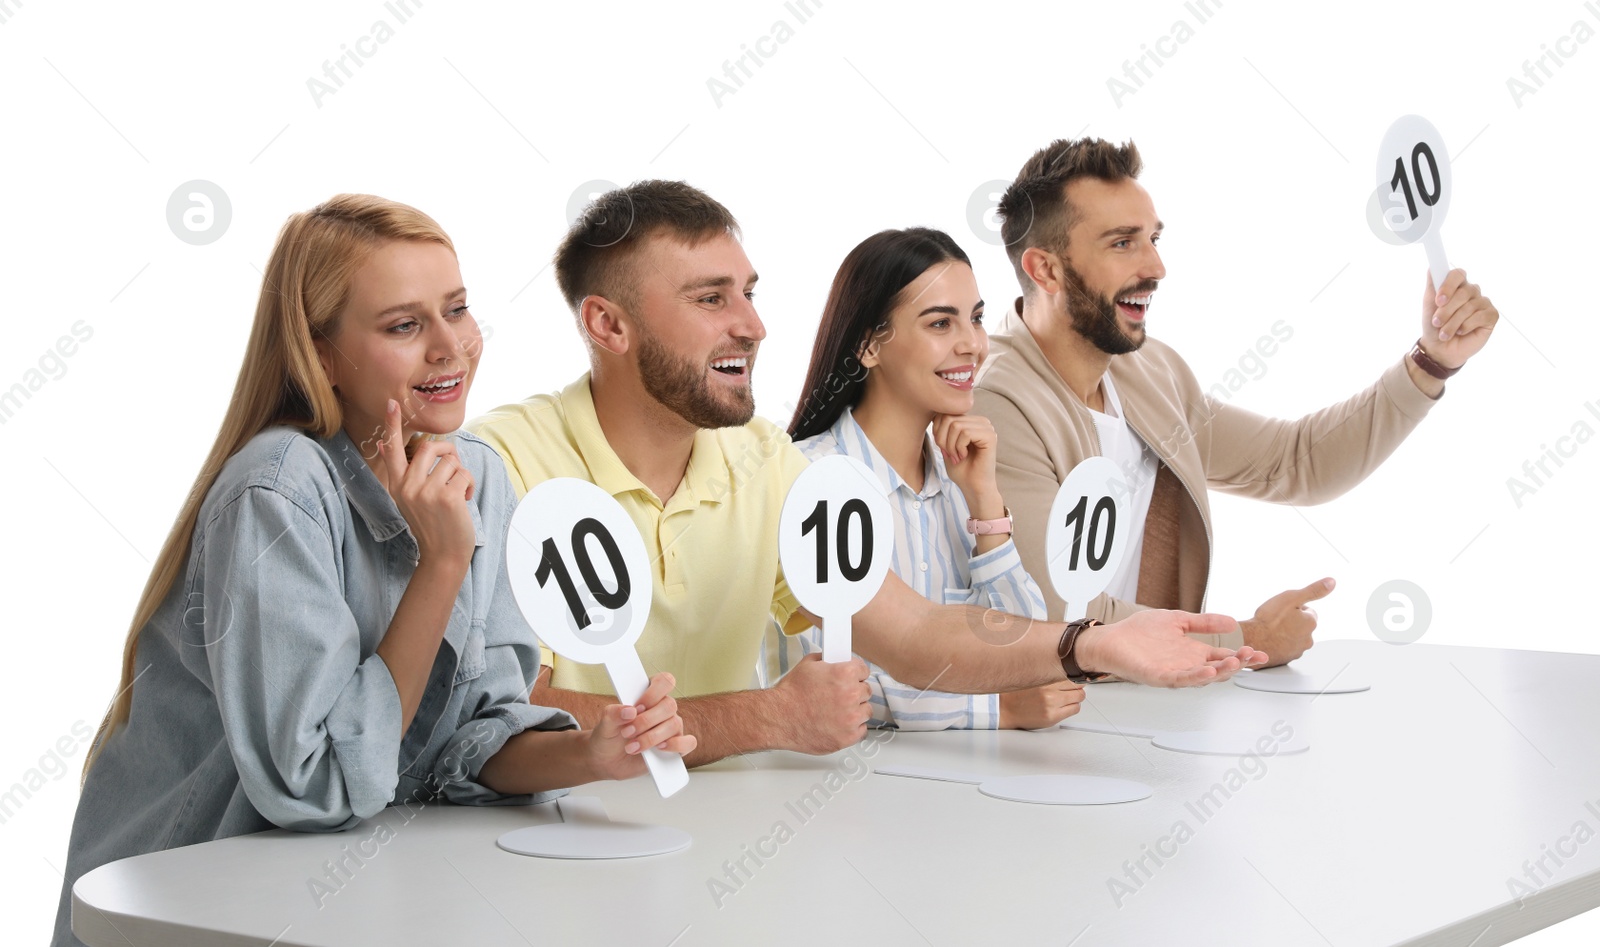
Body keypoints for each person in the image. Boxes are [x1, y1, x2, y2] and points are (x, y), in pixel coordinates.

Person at [53, 195, 691, 947]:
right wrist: (443, 563)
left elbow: (468, 743)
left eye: (457, 309)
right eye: (404, 325)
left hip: (339, 902)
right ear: (322, 354)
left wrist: (587, 752)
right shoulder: (278, 488)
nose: (451, 346)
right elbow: (319, 785)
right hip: (185, 911)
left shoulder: (477, 473)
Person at [469, 179, 1271, 768]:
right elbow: (505, 710)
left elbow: (919, 633)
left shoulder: (765, 463)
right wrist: (765, 718)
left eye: (748, 293)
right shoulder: (504, 460)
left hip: (719, 840)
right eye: (711, 298)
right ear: (607, 324)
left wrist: (1094, 642)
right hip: (547, 846)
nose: (752, 325)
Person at [974, 137, 1499, 664]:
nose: (1157, 267)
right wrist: (1246, 639)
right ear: (1046, 270)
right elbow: (1055, 612)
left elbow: (1295, 462)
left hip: (1149, 706)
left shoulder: (1150, 372)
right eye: (1122, 243)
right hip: (1042, 723)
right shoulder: (997, 401)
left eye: (1153, 238)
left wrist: (1432, 361)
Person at [763, 226, 1082, 731]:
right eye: (940, 324)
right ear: (869, 345)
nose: (972, 345)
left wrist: (985, 502)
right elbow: (829, 676)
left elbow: (1024, 646)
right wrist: (994, 709)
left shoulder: (960, 482)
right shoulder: (806, 480)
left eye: (975, 319)